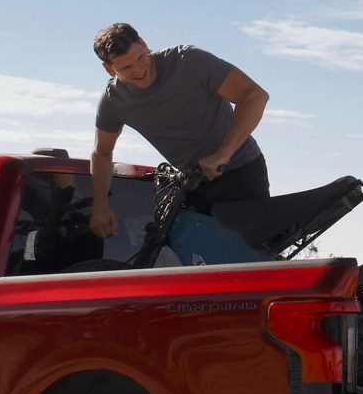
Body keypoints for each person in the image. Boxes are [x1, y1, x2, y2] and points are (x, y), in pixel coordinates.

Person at [87, 22, 271, 240]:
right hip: (192, 183)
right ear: (109, 69)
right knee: (194, 258)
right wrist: (100, 206)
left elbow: (254, 96)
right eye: (126, 68)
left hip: (241, 170)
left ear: (144, 44)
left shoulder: (189, 61)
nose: (138, 70)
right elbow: (102, 152)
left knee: (248, 254)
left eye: (140, 57)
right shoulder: (114, 101)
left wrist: (224, 153)